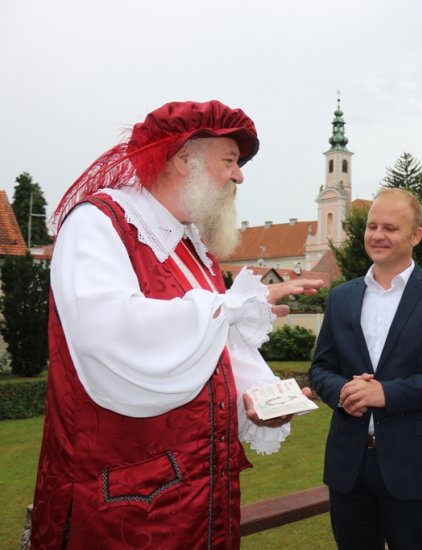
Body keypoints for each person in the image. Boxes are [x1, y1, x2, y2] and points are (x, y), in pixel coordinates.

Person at [30, 100, 323, 549]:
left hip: (201, 500)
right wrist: (229, 308)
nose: (239, 176)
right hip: (125, 506)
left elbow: (216, 349)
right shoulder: (99, 223)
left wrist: (260, 402)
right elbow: (111, 333)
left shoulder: (193, 246)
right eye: (229, 161)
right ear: (184, 158)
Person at [309, 187, 422, 550]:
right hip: (348, 464)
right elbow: (321, 368)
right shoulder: (342, 296)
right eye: (372, 226)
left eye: (391, 228)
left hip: (413, 463)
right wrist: (344, 392)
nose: (378, 235)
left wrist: (386, 393)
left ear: (416, 236)